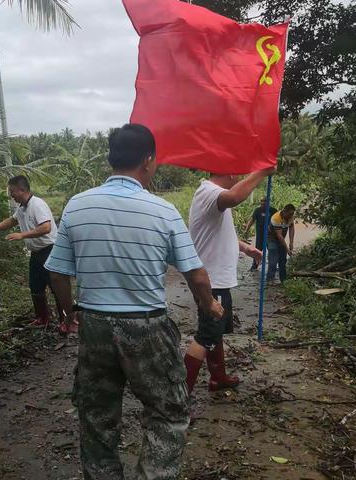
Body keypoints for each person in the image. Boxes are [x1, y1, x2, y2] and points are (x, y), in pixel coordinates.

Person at [45, 124, 223, 480]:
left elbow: (57, 273)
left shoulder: (78, 206)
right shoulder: (163, 211)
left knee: (96, 417)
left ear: (112, 159)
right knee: (168, 412)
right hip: (147, 326)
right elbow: (197, 275)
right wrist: (210, 307)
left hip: (94, 324)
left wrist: (69, 313)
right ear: (148, 161)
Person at [184, 167, 275, 396]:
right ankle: (181, 397)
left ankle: (218, 377)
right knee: (205, 336)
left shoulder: (210, 195)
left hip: (215, 280)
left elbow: (219, 233)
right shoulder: (210, 192)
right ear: (231, 173)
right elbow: (234, 197)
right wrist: (261, 172)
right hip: (211, 282)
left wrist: (245, 248)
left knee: (215, 333)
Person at [0, 176, 73, 333]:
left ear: (22, 190)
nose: (11, 195)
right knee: (35, 286)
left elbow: (46, 227)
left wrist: (22, 235)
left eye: (12, 191)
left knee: (56, 287)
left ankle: (66, 321)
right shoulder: (22, 207)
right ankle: (43, 319)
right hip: (36, 253)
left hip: (50, 250)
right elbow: (12, 221)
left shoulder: (37, 204)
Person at [244, 197, 277, 270]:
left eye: (265, 201)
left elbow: (278, 222)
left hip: (270, 235)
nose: (263, 203)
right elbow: (252, 220)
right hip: (260, 235)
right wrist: (247, 230)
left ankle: (273, 266)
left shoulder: (273, 211)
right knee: (257, 251)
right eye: (262, 201)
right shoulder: (257, 210)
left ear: (268, 202)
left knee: (272, 250)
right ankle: (254, 265)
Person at [266, 204, 296, 284]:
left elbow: (291, 228)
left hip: (281, 237)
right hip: (272, 238)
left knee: (283, 259)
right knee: (273, 258)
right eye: (289, 214)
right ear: (284, 211)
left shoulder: (291, 216)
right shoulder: (276, 218)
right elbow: (279, 236)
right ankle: (270, 279)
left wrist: (291, 243)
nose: (291, 216)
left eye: (292, 214)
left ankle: (283, 279)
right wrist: (287, 249)